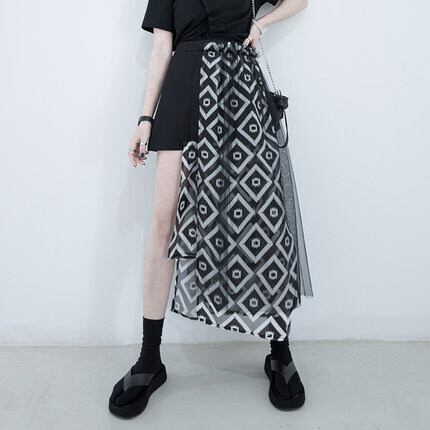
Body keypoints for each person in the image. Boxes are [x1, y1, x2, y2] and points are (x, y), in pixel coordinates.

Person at [109, 0, 313, 419]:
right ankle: (150, 359)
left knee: (264, 221)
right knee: (163, 221)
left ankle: (279, 351)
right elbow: (161, 47)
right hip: (184, 90)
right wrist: (145, 118)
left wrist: (262, 23)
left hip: (240, 94)